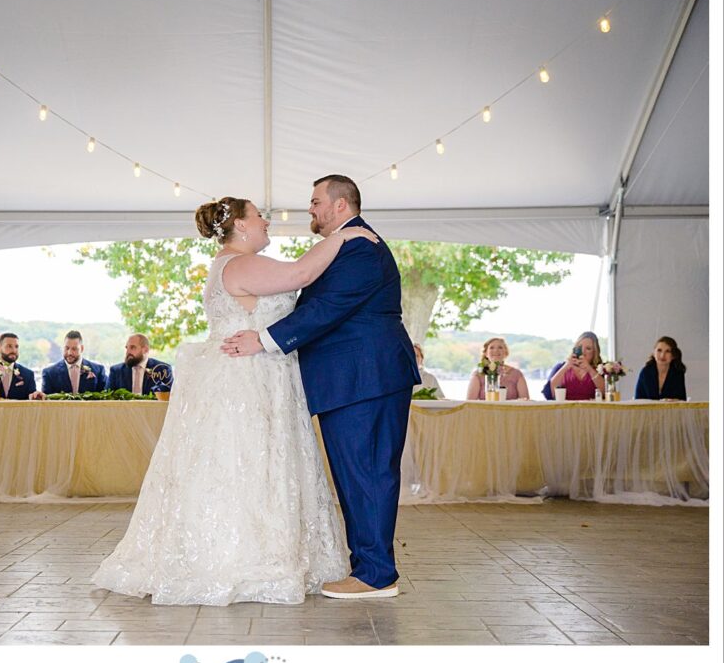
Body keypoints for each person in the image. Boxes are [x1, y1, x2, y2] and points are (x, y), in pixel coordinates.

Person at [93, 194, 379, 605]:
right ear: (241, 226)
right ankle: (244, 560)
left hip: (253, 374)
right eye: (259, 216)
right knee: (250, 464)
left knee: (245, 465)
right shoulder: (241, 263)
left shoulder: (230, 263)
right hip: (248, 380)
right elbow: (301, 273)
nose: (266, 222)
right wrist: (343, 237)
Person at [221, 174, 421, 601]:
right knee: (357, 474)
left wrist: (265, 338)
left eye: (315, 201)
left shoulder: (360, 248)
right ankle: (368, 566)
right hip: (352, 379)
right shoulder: (345, 246)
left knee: (367, 472)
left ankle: (376, 574)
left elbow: (328, 309)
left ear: (341, 205)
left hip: (365, 377)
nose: (310, 209)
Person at [542, 331, 606, 400]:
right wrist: (566, 366)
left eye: (588, 348)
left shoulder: (600, 369)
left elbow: (605, 393)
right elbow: (549, 393)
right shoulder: (560, 367)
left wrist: (589, 369)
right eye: (580, 347)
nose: (583, 352)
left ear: (594, 352)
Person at [41, 331, 108, 394]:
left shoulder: (98, 371)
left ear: (82, 348)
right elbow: (45, 403)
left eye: (74, 349)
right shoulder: (49, 373)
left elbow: (105, 398)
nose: (69, 353)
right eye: (67, 348)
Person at [106, 334, 174, 395]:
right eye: (127, 348)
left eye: (132, 347)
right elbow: (107, 398)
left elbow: (170, 398)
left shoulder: (163, 370)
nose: (128, 352)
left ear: (145, 350)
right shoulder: (116, 371)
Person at [465, 337, 529, 400]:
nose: (496, 350)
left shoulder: (516, 374)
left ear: (506, 353)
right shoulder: (478, 374)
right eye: (491, 348)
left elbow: (525, 401)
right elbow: (470, 403)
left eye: (500, 347)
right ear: (486, 353)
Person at [634, 336, 687, 400]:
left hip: (670, 409)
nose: (662, 355)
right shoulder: (645, 372)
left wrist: (674, 401)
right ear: (654, 353)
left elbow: (682, 400)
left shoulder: (678, 373)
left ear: (673, 355)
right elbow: (638, 400)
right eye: (659, 350)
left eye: (667, 351)